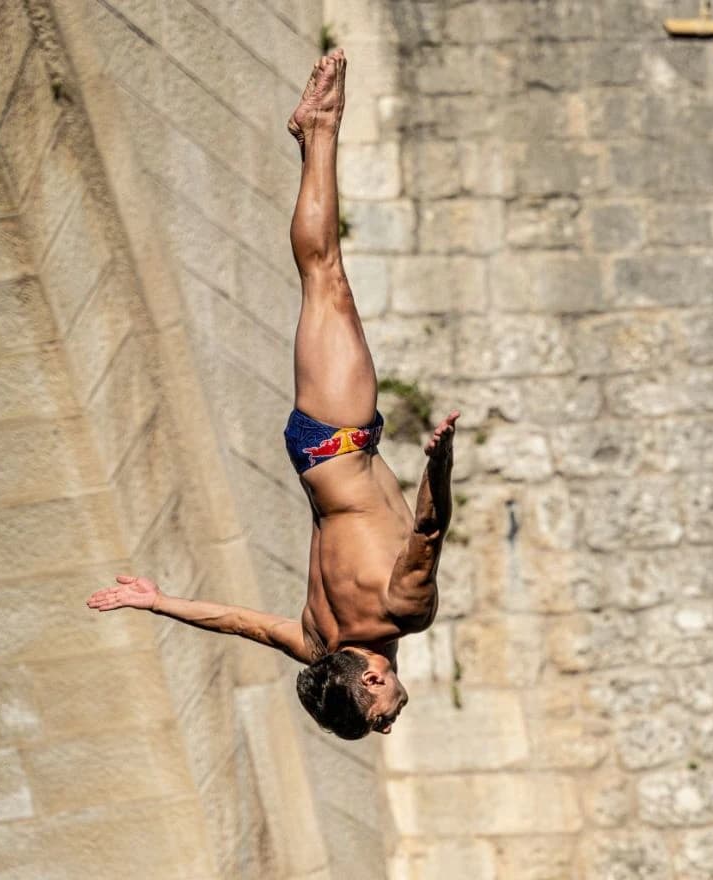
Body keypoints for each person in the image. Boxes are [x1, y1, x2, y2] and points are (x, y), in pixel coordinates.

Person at [86, 48, 458, 740]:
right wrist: (158, 602)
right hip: (317, 453)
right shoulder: (316, 645)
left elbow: (428, 533)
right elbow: (241, 622)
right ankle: (315, 133)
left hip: (342, 438)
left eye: (380, 715)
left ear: (370, 682)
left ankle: (318, 128)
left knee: (324, 274)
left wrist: (439, 464)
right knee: (324, 279)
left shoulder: (404, 614)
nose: (390, 718)